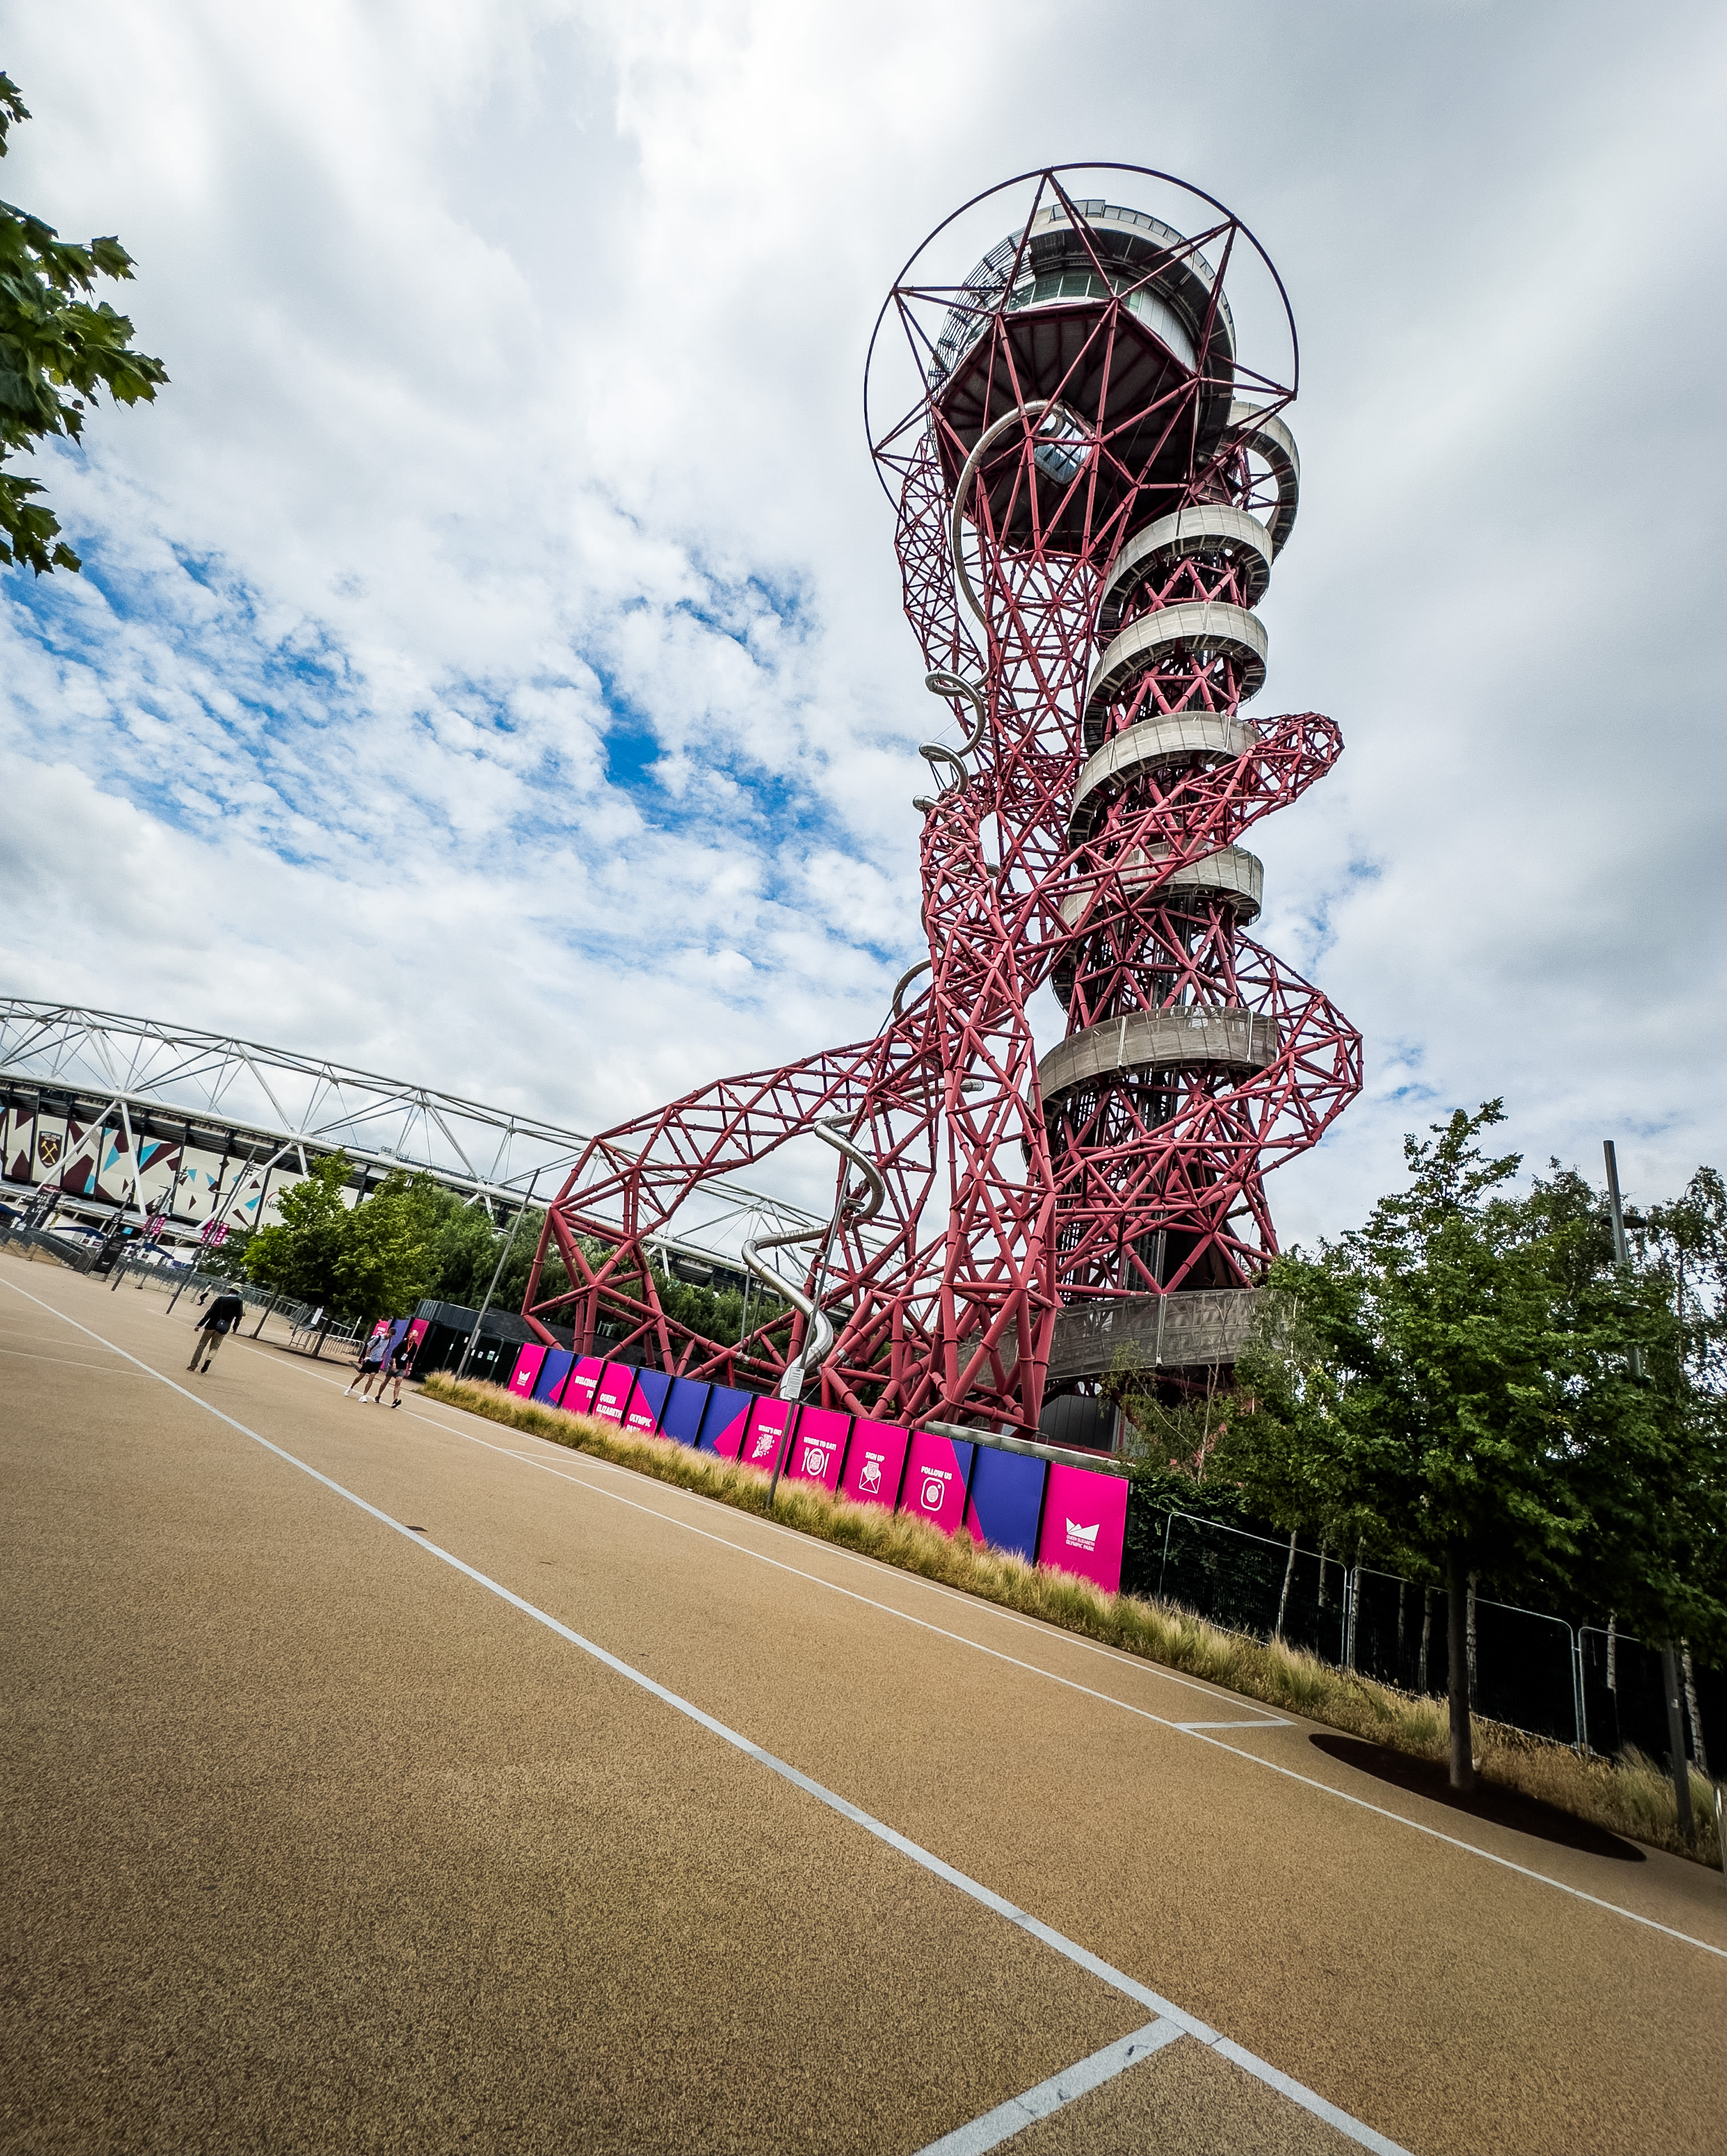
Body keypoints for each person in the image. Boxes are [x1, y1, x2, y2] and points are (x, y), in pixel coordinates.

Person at [187, 1288, 245, 1374]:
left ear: (230, 1291)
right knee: (215, 1347)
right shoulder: (239, 1302)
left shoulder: (220, 1299)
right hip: (223, 1327)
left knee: (202, 1345)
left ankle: (193, 1365)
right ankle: (209, 1359)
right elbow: (239, 1316)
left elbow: (210, 1312)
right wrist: (235, 1327)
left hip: (212, 1324)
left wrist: (200, 1324)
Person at [367, 1333, 414, 1409]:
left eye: (416, 1337)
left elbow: (411, 1359)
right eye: (413, 1336)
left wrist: (409, 1369)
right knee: (386, 1381)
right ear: (410, 1335)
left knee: (398, 1382)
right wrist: (394, 1364)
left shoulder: (414, 1346)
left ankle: (395, 1401)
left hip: (402, 1367)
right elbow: (394, 1354)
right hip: (394, 1365)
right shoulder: (403, 1343)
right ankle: (378, 1396)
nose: (414, 1338)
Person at [345, 1324, 390, 1398]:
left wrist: (382, 1357)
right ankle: (351, 1387)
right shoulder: (378, 1338)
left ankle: (364, 1395)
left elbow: (385, 1349)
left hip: (378, 1361)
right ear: (387, 1333)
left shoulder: (388, 1341)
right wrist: (367, 1356)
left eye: (391, 1337)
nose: (390, 1337)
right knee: (361, 1376)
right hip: (370, 1359)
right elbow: (369, 1347)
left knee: (372, 1378)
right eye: (390, 1335)